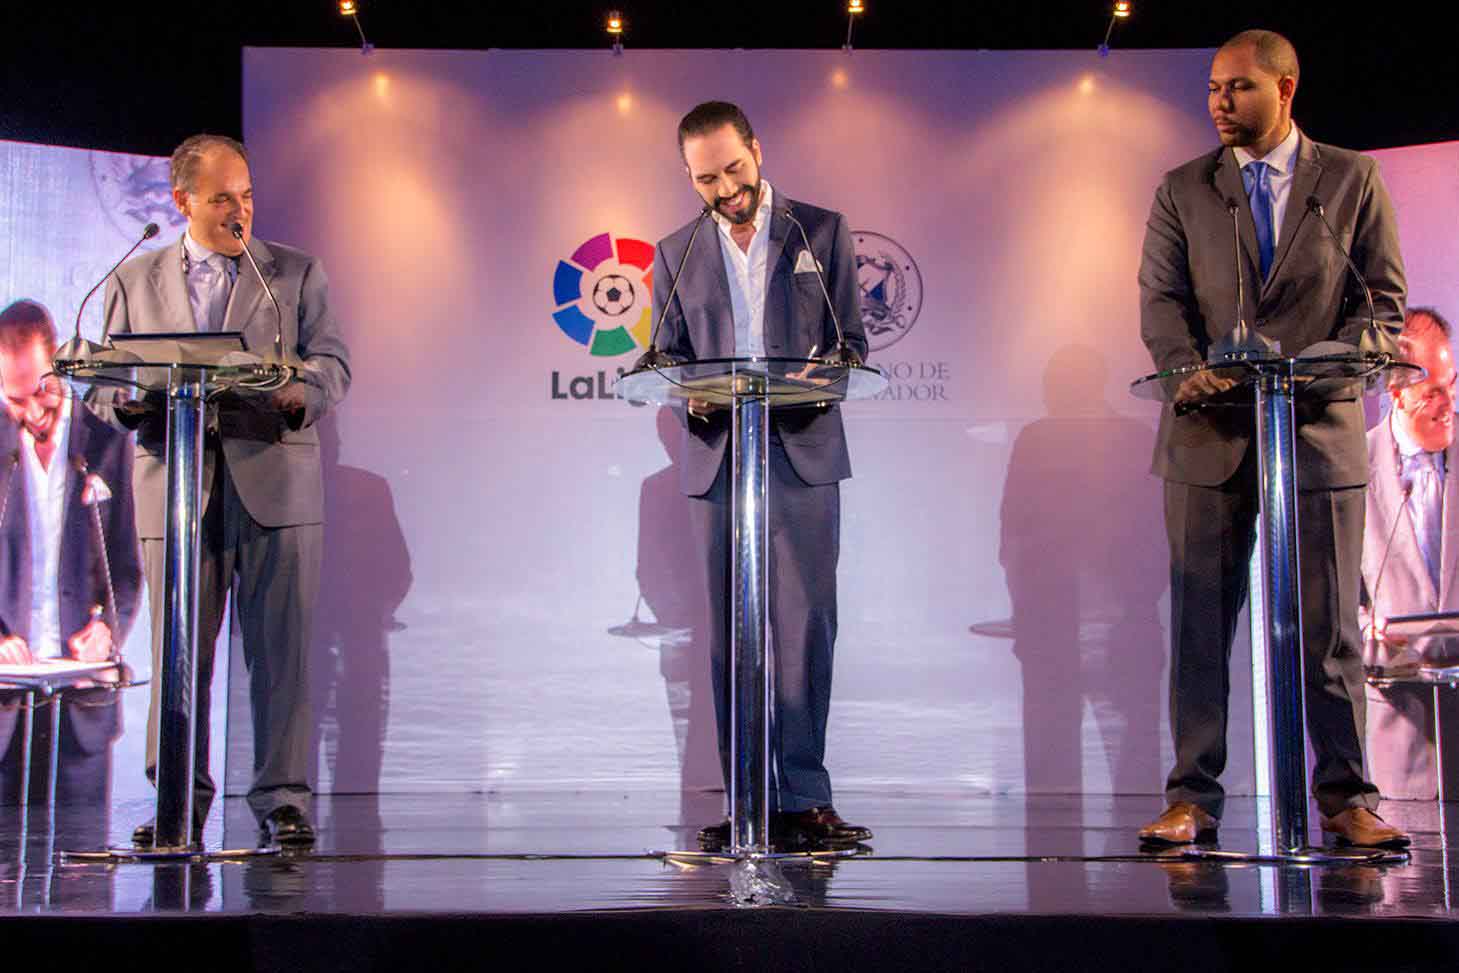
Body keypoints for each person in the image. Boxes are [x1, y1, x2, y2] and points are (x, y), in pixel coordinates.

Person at [1136, 30, 1409, 847]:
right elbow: (1161, 300)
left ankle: (1346, 797)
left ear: (1286, 89)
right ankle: (1192, 797)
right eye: (1213, 88)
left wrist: (1322, 367)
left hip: (1315, 435)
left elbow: (1381, 312)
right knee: (1197, 629)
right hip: (1206, 434)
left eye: (1239, 88)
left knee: (1327, 631)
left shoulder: (1351, 180)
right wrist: (1185, 366)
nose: (1219, 102)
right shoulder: (1183, 188)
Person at [93, 134, 350, 847]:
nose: (240, 210)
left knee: (281, 654)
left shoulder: (292, 274)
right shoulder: (132, 279)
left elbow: (333, 362)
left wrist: (300, 391)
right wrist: (128, 403)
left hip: (276, 481)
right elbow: (102, 382)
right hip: (176, 488)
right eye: (221, 198)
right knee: (178, 655)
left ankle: (283, 802)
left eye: (247, 194)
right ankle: (176, 800)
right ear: (181, 202)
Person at [651, 101, 870, 850]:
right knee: (726, 636)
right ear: (689, 176)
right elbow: (666, 355)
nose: (725, 190)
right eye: (706, 179)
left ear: (757, 149)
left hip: (802, 447)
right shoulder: (674, 250)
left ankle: (805, 797)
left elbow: (851, 346)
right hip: (719, 457)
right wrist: (684, 385)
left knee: (806, 625)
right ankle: (744, 795)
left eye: (734, 170)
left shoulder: (821, 229)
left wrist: (824, 372)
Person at [0, 299, 142, 807]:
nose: (34, 411)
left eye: (42, 390)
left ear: (57, 363)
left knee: (82, 877)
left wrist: (108, 628)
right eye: (15, 400)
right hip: (3, 698)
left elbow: (126, 566)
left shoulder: (105, 440)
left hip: (82, 699)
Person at [1360, 307, 1459, 800]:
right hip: (1399, 747)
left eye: (1454, 383)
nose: (1450, 403)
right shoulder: (1350, 472)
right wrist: (1367, 630)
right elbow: (1328, 604)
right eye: (1433, 391)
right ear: (1396, 391)